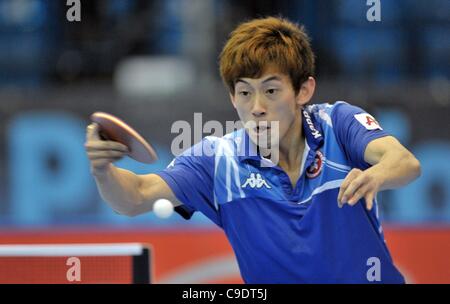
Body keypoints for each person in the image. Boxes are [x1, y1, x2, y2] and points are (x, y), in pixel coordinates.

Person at [85, 17, 421, 283]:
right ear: (233, 98)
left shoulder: (339, 124)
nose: (257, 107)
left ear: (304, 90)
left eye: (271, 91)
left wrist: (375, 175)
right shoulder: (218, 161)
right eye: (244, 93)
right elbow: (135, 197)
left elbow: (404, 162)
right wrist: (104, 172)